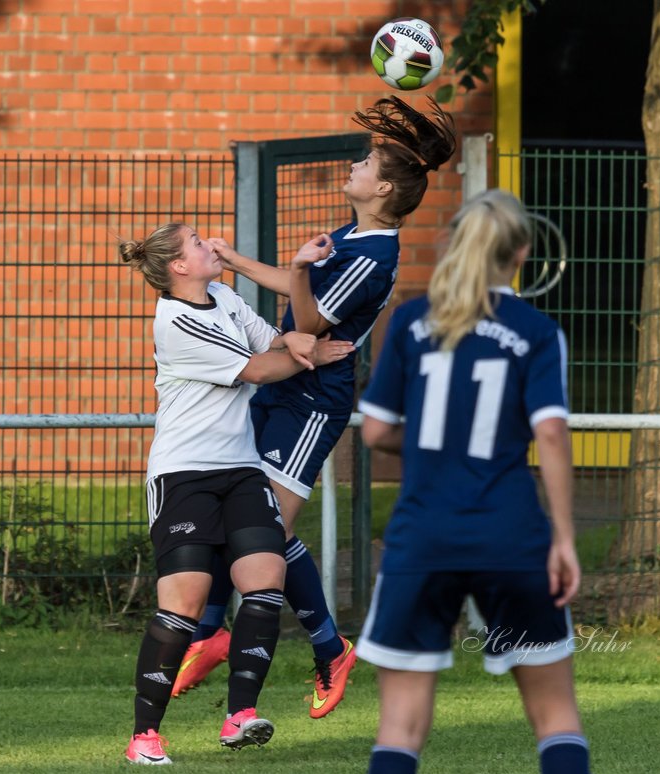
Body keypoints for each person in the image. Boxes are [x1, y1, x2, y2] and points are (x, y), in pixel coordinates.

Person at [170, 96, 458, 719]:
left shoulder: (376, 256)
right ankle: (213, 632)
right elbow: (296, 293)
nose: (353, 166)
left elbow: (308, 319)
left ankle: (328, 648)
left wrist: (299, 270)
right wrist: (236, 263)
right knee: (238, 511)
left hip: (312, 401)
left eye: (364, 162)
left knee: (267, 529)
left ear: (381, 188)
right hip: (281, 382)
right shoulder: (355, 232)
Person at [354, 190, 596, 774]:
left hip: (422, 538)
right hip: (510, 535)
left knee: (400, 726)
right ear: (520, 255)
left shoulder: (408, 323)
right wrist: (566, 539)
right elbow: (549, 435)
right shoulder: (538, 333)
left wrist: (441, 442)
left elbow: (376, 430)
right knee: (554, 716)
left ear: (457, 243)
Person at [120, 222, 355, 766]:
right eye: (198, 244)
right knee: (184, 606)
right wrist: (311, 354)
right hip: (184, 475)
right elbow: (258, 368)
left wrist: (294, 340)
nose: (211, 246)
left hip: (243, 470)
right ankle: (145, 737)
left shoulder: (223, 295)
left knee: (265, 581)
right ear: (179, 267)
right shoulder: (174, 320)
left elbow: (268, 340)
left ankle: (240, 716)